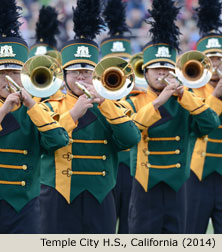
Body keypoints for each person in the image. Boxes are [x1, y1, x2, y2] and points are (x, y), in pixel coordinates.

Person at [0, 0, 69, 234]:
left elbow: (58, 142)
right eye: (0, 73)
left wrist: (31, 103)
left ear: (24, 76)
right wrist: (2, 111)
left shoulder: (38, 109)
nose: (7, 79)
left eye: (13, 72)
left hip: (25, 206)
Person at [39, 0, 141, 234]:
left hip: (101, 195)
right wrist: (74, 113)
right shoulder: (50, 105)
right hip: (58, 195)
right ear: (64, 76)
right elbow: (45, 143)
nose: (82, 77)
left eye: (87, 71)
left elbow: (130, 139)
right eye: (75, 72)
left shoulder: (113, 105)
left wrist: (104, 103)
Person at [119, 0, 220, 234]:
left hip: (178, 186)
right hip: (145, 185)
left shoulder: (185, 101)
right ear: (146, 72)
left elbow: (210, 123)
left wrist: (184, 94)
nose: (162, 73)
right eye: (156, 69)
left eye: (167, 69)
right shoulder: (134, 100)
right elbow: (130, 132)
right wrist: (159, 101)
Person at [101, 0, 138, 234]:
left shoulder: (138, 93)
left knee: (128, 229)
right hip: (104, 170)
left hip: (131, 169)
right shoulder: (95, 95)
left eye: (123, 63)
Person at [186, 0, 222, 234]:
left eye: (219, 58)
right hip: (196, 174)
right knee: (192, 237)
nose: (215, 64)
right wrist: (217, 96)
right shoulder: (191, 90)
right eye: (210, 59)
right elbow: (200, 123)